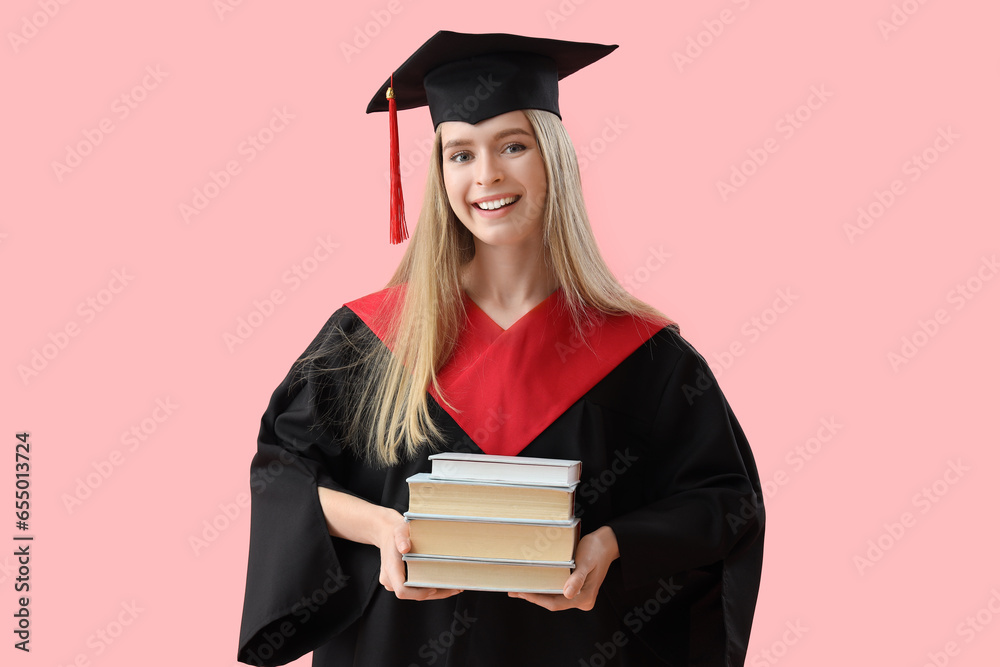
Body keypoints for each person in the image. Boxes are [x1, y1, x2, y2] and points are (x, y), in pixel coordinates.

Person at [237, 30, 765, 667]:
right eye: (460, 154)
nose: (486, 174)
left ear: (553, 158)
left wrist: (611, 544)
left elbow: (725, 503)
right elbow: (283, 474)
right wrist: (383, 529)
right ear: (438, 175)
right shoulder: (369, 340)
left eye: (512, 146)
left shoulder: (644, 360)